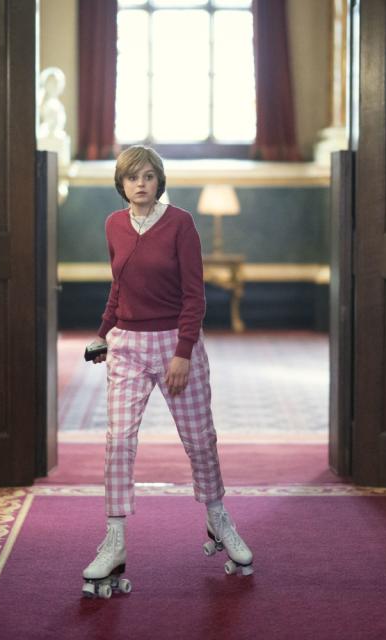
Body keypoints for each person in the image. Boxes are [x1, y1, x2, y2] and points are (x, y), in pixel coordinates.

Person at [80, 145, 253, 598]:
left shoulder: (181, 224)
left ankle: (218, 519)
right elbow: (118, 287)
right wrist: (102, 332)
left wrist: (183, 352)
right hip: (128, 345)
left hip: (177, 344)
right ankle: (114, 538)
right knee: (119, 440)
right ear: (122, 183)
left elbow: (195, 296)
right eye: (132, 177)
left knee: (200, 438)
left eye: (149, 176)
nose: (141, 183)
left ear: (159, 181)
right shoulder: (113, 225)